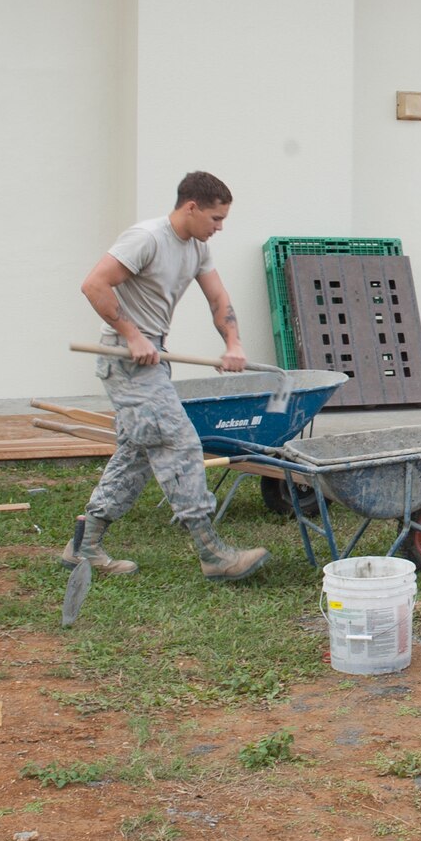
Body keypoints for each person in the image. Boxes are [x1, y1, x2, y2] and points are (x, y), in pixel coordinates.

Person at [69, 171, 269, 582]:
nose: (220, 227)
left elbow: (218, 298)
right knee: (178, 442)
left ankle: (83, 547)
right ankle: (212, 552)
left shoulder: (196, 247)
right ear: (191, 207)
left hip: (153, 356)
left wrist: (233, 343)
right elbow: (94, 284)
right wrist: (133, 335)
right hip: (126, 359)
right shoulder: (147, 238)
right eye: (215, 218)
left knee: (138, 455)